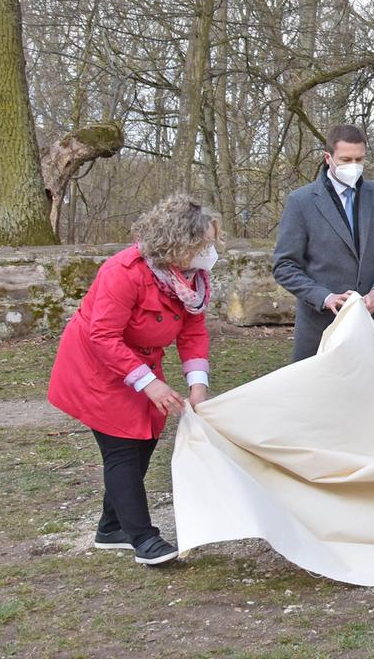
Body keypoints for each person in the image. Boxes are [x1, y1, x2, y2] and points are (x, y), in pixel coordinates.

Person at [47, 194, 221, 566]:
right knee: (122, 448)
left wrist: (198, 385)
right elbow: (103, 336)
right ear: (178, 242)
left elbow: (193, 332)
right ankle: (143, 538)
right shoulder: (123, 272)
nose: (210, 250)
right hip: (95, 366)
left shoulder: (192, 281)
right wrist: (150, 384)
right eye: (203, 243)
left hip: (139, 362)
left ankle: (112, 527)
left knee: (144, 439)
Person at [273, 124, 374, 361]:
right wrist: (325, 297)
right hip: (319, 330)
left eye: (359, 159)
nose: (354, 166)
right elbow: (284, 266)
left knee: (366, 397)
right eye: (345, 159)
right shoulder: (301, 202)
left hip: (368, 328)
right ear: (328, 158)